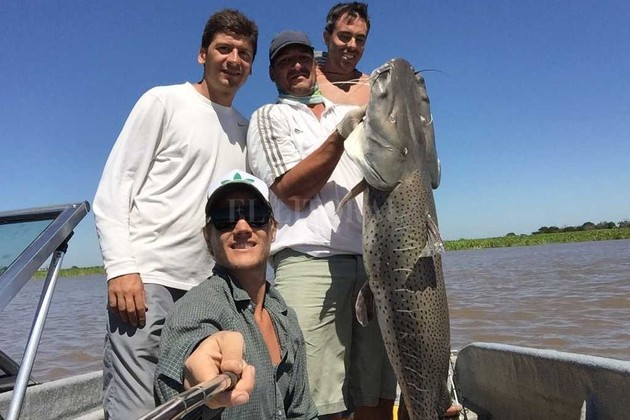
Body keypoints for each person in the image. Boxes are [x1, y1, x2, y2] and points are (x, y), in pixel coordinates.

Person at [92, 9, 258, 418]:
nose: (233, 60)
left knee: (203, 406)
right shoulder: (163, 101)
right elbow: (113, 191)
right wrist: (121, 268)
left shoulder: (245, 130)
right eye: (224, 49)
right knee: (135, 409)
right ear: (203, 54)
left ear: (251, 66)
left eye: (243, 53)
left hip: (210, 291)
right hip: (148, 283)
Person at [247, 30, 396, 420]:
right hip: (308, 265)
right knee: (317, 398)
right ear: (272, 74)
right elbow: (292, 192)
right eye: (285, 61)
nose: (296, 66)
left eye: (303, 58)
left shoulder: (344, 110)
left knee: (376, 393)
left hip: (372, 266)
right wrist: (340, 136)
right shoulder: (269, 117)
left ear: (316, 65)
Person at [155, 169, 318, 419]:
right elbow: (191, 355)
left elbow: (302, 412)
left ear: (273, 229)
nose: (242, 227)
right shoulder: (196, 307)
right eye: (225, 218)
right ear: (208, 238)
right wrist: (201, 380)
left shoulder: (285, 316)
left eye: (255, 215)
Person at [316, 2, 371, 105]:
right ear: (327, 38)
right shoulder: (305, 83)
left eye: (359, 39)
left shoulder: (373, 88)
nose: (352, 45)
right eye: (345, 37)